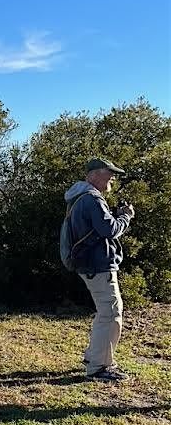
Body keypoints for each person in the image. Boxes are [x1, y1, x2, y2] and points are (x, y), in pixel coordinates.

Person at [64, 158, 135, 381]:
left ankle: (94, 357)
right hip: (98, 265)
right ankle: (99, 367)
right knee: (111, 313)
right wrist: (126, 216)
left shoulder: (79, 198)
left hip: (90, 264)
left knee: (105, 312)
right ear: (94, 175)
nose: (113, 177)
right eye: (109, 172)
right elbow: (109, 229)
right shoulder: (92, 199)